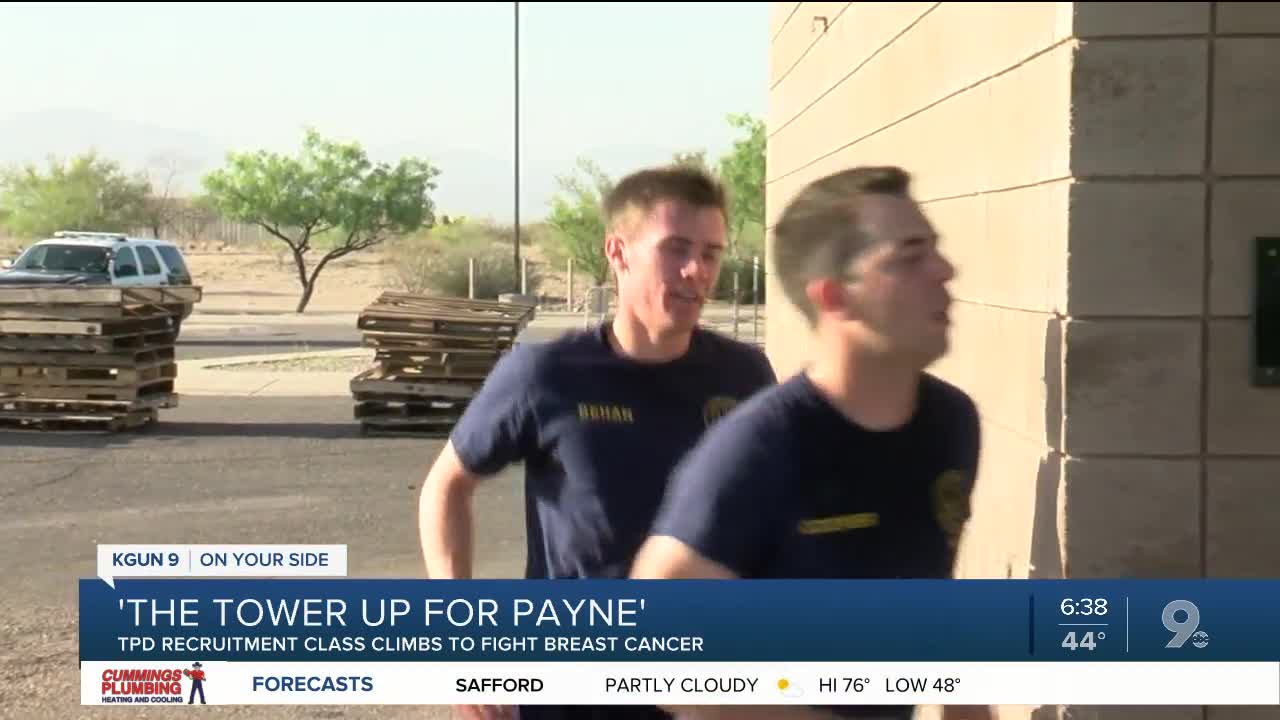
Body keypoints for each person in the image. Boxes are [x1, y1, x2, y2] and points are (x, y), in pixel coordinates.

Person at [418, 164, 778, 720]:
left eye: (711, 253)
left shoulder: (745, 376)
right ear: (618, 252)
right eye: (675, 248)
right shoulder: (546, 375)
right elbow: (447, 485)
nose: (696, 271)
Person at [630, 166, 991, 720]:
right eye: (909, 257)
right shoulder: (761, 449)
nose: (944, 270)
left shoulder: (951, 423)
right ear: (833, 297)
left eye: (935, 250)